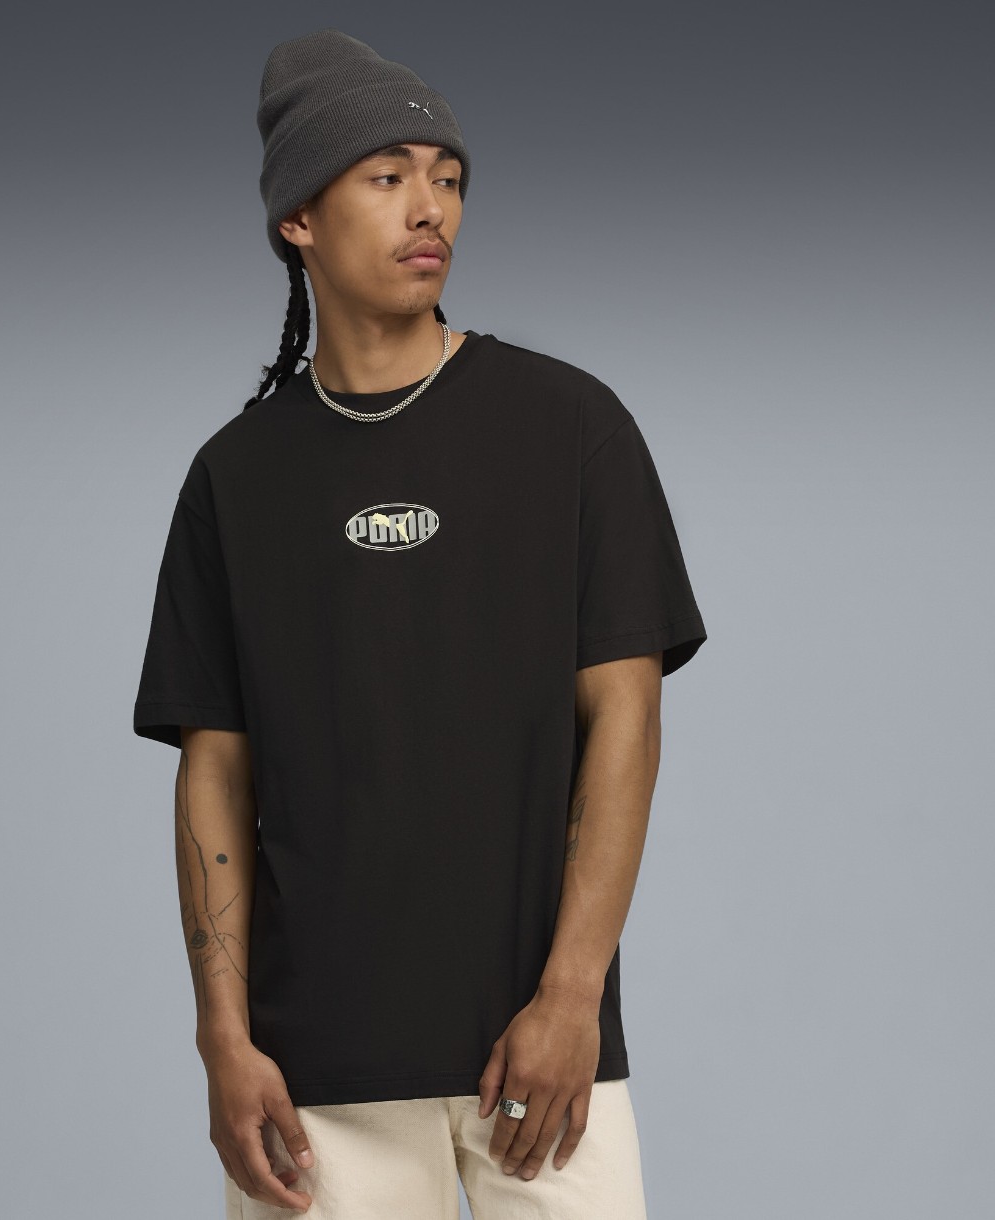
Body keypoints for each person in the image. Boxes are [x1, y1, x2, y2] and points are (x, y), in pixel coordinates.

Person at [132, 27, 708, 1219]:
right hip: (313, 1077)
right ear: (299, 215)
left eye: (446, 176)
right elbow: (213, 771)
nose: (428, 206)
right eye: (386, 174)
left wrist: (570, 996)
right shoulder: (235, 479)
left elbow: (626, 720)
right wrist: (221, 1038)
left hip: (539, 1057)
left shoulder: (571, 428)